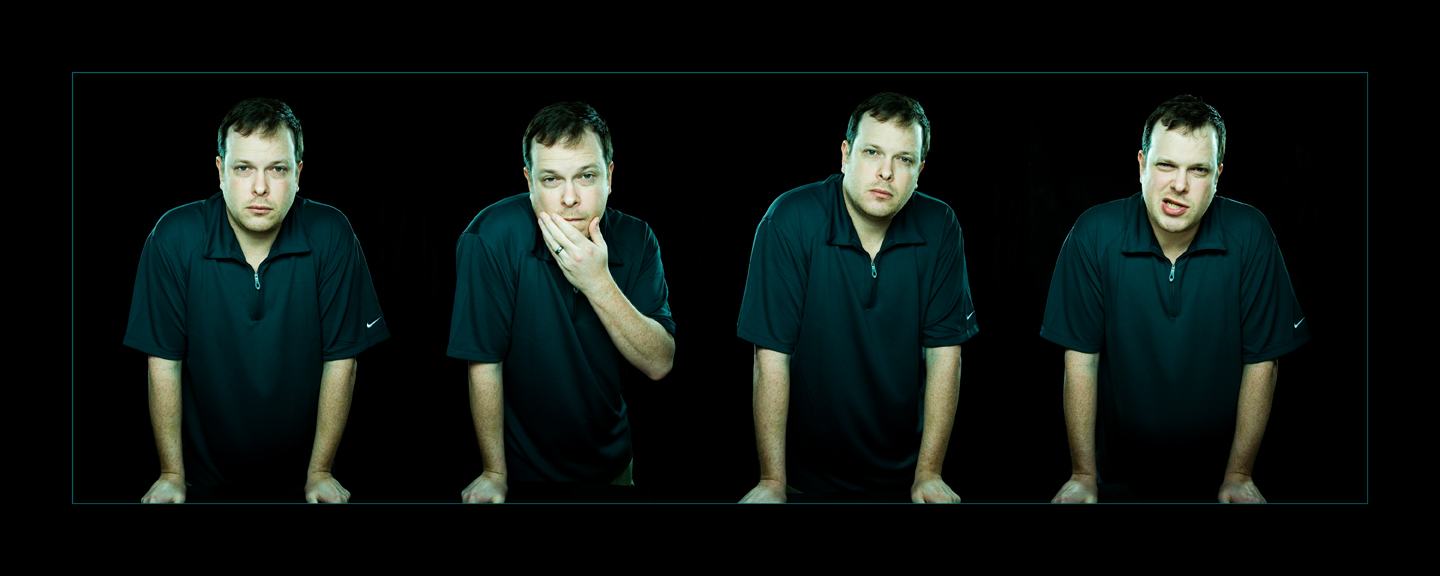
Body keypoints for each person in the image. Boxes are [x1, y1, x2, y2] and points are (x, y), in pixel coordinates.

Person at [1043, 94, 1309, 503]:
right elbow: (1080, 359)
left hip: (1220, 483)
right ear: (1141, 166)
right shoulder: (1093, 235)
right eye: (1166, 164)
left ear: (1218, 175)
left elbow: (1263, 361)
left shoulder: (1251, 234)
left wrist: (1239, 474)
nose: (1180, 185)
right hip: (1118, 479)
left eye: (1198, 169)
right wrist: (1083, 475)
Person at [124, 98, 389, 503]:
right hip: (202, 479)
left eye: (277, 169)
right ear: (220, 171)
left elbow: (342, 361)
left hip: (303, 481)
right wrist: (171, 474)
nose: (260, 187)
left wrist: (319, 472)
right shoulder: (174, 237)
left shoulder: (331, 233)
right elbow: (163, 361)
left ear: (299, 174)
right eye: (243, 168)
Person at [736, 92, 976, 503]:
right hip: (804, 477)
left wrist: (929, 474)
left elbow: (944, 354)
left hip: (903, 478)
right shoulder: (789, 219)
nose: (886, 172)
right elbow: (770, 356)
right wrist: (771, 481)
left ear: (919, 170)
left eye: (903, 159)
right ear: (845, 156)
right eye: (872, 152)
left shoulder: (941, 226)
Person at [448, 102, 675, 503]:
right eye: (551, 179)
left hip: (613, 466)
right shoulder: (489, 238)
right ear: (529, 182)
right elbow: (484, 362)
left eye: (586, 176)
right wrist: (493, 471)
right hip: (520, 475)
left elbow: (659, 362)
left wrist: (598, 282)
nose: (569, 198)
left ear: (609, 176)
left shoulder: (638, 239)